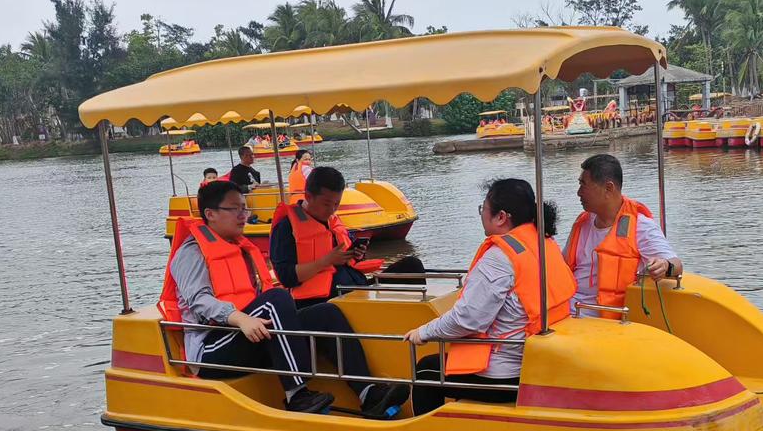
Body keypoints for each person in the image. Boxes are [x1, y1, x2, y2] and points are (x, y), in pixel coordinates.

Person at [162, 180, 409, 417]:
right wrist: (238, 318)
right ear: (210, 213)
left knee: (326, 312)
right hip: (211, 348)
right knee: (275, 300)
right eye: (233, 209)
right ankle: (297, 395)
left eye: (244, 208)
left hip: (247, 334)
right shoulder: (191, 253)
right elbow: (199, 301)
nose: (242, 215)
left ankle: (368, 394)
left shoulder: (240, 248)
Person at [403, 179, 576, 415]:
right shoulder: (544, 243)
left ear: (501, 217)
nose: (481, 214)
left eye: (483, 208)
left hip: (505, 374)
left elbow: (467, 319)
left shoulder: (499, 258)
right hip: (539, 362)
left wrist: (423, 333)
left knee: (425, 370)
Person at [270, 166, 424, 307]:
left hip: (353, 287)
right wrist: (327, 261)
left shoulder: (333, 220)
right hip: (323, 302)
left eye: (336, 204)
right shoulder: (286, 227)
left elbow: (349, 258)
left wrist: (356, 254)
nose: (332, 209)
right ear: (308, 196)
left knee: (412, 265)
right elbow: (286, 276)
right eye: (326, 204)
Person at [566, 154, 681, 320]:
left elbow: (676, 265)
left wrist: (664, 265)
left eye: (583, 185)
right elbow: (563, 265)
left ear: (608, 188)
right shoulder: (582, 222)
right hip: (567, 310)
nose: (578, 193)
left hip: (600, 319)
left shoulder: (640, 227)